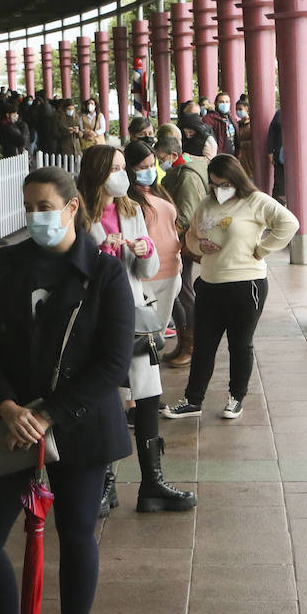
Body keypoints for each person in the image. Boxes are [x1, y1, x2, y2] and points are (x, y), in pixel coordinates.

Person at [0, 166, 134, 614]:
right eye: (28, 207)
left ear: (72, 207)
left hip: (76, 423)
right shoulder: (8, 264)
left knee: (76, 533)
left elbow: (111, 363)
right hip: (10, 426)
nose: (35, 217)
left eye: (45, 207)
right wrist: (7, 407)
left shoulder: (104, 273)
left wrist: (48, 415)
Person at [79, 145, 195, 514]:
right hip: (94, 319)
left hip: (133, 316)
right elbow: (74, 270)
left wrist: (143, 250)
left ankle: (152, 483)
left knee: (146, 396)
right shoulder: (79, 216)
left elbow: (146, 271)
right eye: (114, 168)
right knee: (105, 397)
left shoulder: (130, 210)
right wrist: (100, 249)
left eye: (121, 167)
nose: (122, 174)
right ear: (97, 174)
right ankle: (105, 484)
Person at [164, 155, 298, 420]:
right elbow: (191, 236)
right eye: (213, 184)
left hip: (246, 284)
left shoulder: (256, 201)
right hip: (211, 282)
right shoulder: (206, 205)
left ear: (236, 179)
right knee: (203, 345)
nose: (218, 189)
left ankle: (236, 397)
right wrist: (199, 246)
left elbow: (289, 223)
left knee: (240, 344)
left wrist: (262, 249)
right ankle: (193, 400)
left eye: (223, 183)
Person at [126, 139, 183, 363]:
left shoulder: (160, 192)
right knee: (142, 340)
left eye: (152, 165)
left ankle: (150, 392)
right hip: (145, 277)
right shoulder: (128, 201)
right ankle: (139, 395)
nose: (149, 171)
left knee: (156, 338)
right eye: (142, 168)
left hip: (170, 272)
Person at [156, 135, 209, 367]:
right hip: (175, 241)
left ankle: (191, 345)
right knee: (180, 291)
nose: (159, 164)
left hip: (178, 242)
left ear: (173, 156)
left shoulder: (186, 177)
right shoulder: (181, 171)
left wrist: (166, 233)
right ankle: (184, 343)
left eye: (160, 159)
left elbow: (186, 216)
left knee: (183, 291)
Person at [203, 92, 237, 156]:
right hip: (218, 156)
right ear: (215, 103)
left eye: (227, 102)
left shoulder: (232, 119)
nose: (225, 104)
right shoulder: (209, 119)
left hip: (232, 156)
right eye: (221, 102)